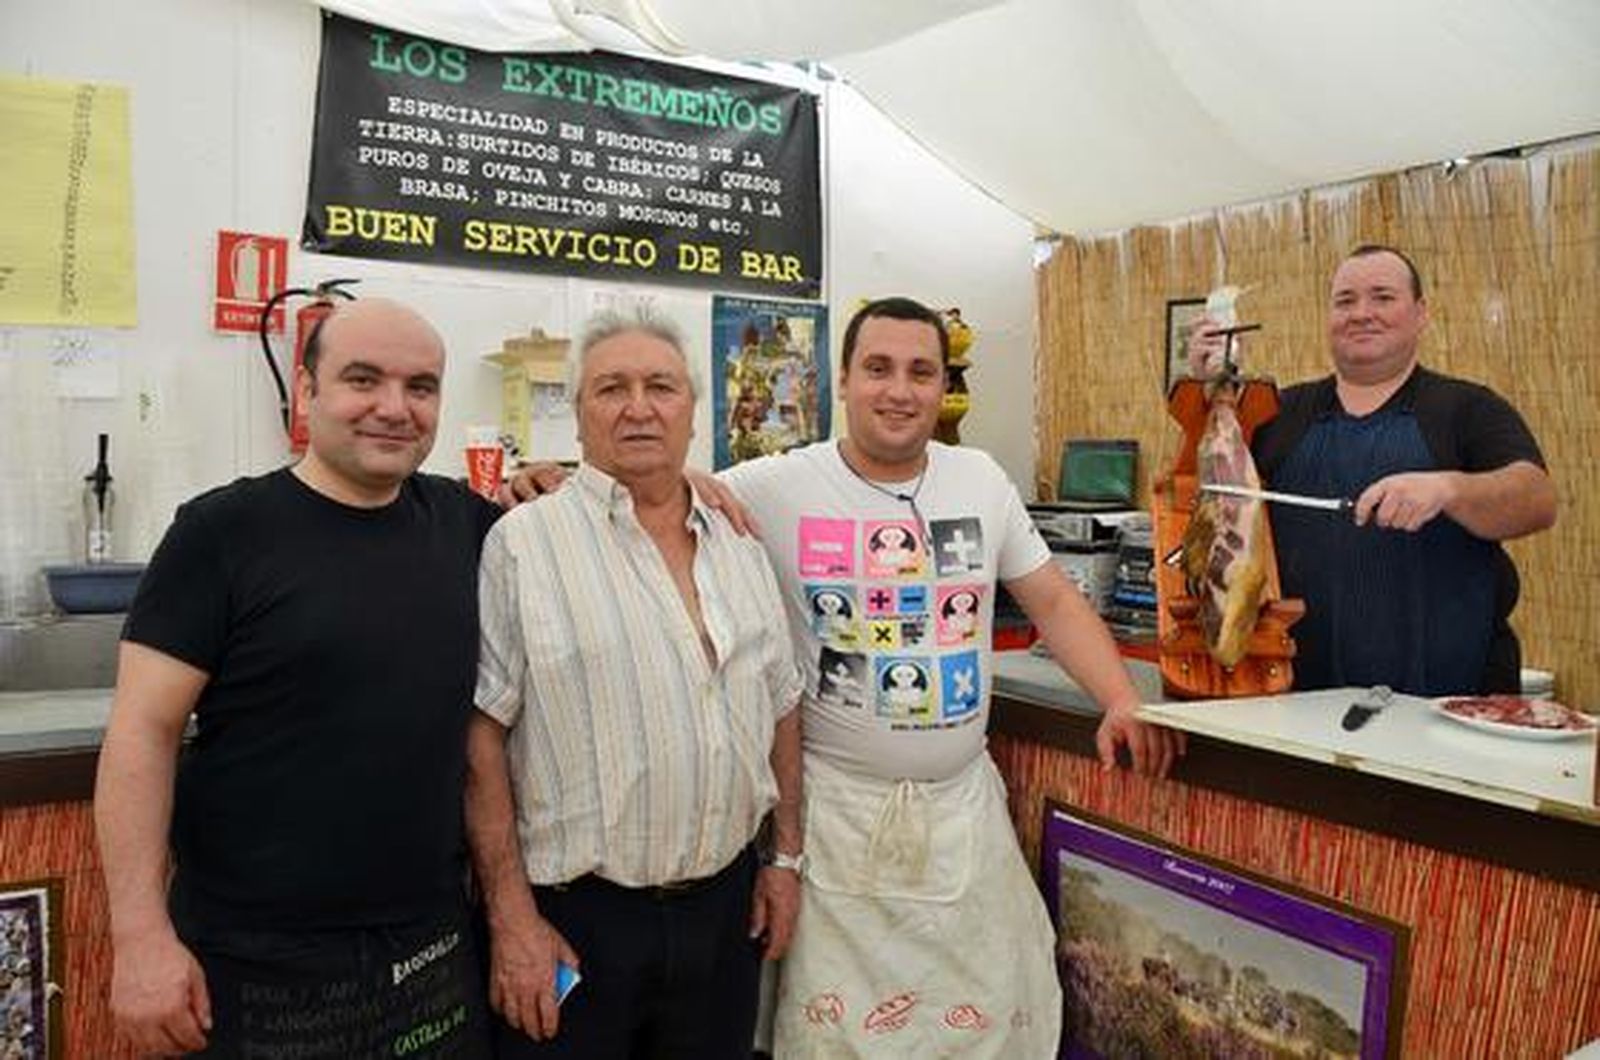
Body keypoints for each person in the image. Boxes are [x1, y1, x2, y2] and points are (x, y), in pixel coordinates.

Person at [713, 296, 1185, 1058]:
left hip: (964, 816)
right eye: (878, 369)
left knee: (989, 1023)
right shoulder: (774, 485)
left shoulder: (980, 479)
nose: (899, 390)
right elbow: (661, 489)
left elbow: (1055, 601)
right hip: (836, 827)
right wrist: (538, 479)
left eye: (920, 372)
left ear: (943, 387)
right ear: (842, 381)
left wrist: (1122, 698)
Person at [94, 299, 498, 1056]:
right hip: (254, 957)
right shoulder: (221, 534)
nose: (394, 408)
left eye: (421, 387)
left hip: (429, 945)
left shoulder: (467, 526)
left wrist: (682, 488)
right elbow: (140, 734)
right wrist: (140, 936)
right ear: (306, 394)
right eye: (363, 379)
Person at [465, 309, 804, 1059]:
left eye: (662, 386)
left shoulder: (740, 543)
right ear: (579, 417)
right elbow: (481, 736)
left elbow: (782, 703)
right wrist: (511, 918)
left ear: (692, 410)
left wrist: (784, 860)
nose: (639, 406)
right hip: (576, 926)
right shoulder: (523, 541)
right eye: (611, 388)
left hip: (725, 916)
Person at [1189, 245, 1557, 695]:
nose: (1362, 313)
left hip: (1446, 705)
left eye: (1383, 297)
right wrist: (1209, 390)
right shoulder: (1279, 412)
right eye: (1345, 301)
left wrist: (1448, 489)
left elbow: (1537, 500)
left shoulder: (1467, 408)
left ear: (1420, 313)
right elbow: (1199, 492)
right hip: (1295, 699)